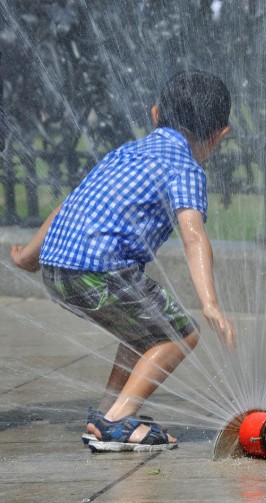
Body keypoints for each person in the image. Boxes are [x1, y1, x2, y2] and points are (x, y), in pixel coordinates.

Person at [10, 70, 237, 452]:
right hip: (99, 270)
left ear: (154, 114)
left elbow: (70, 204)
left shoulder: (126, 152)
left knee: (142, 328)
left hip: (58, 265)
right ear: (219, 135)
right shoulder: (186, 168)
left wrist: (30, 256)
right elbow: (194, 236)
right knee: (179, 333)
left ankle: (107, 412)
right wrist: (211, 304)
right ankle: (116, 422)